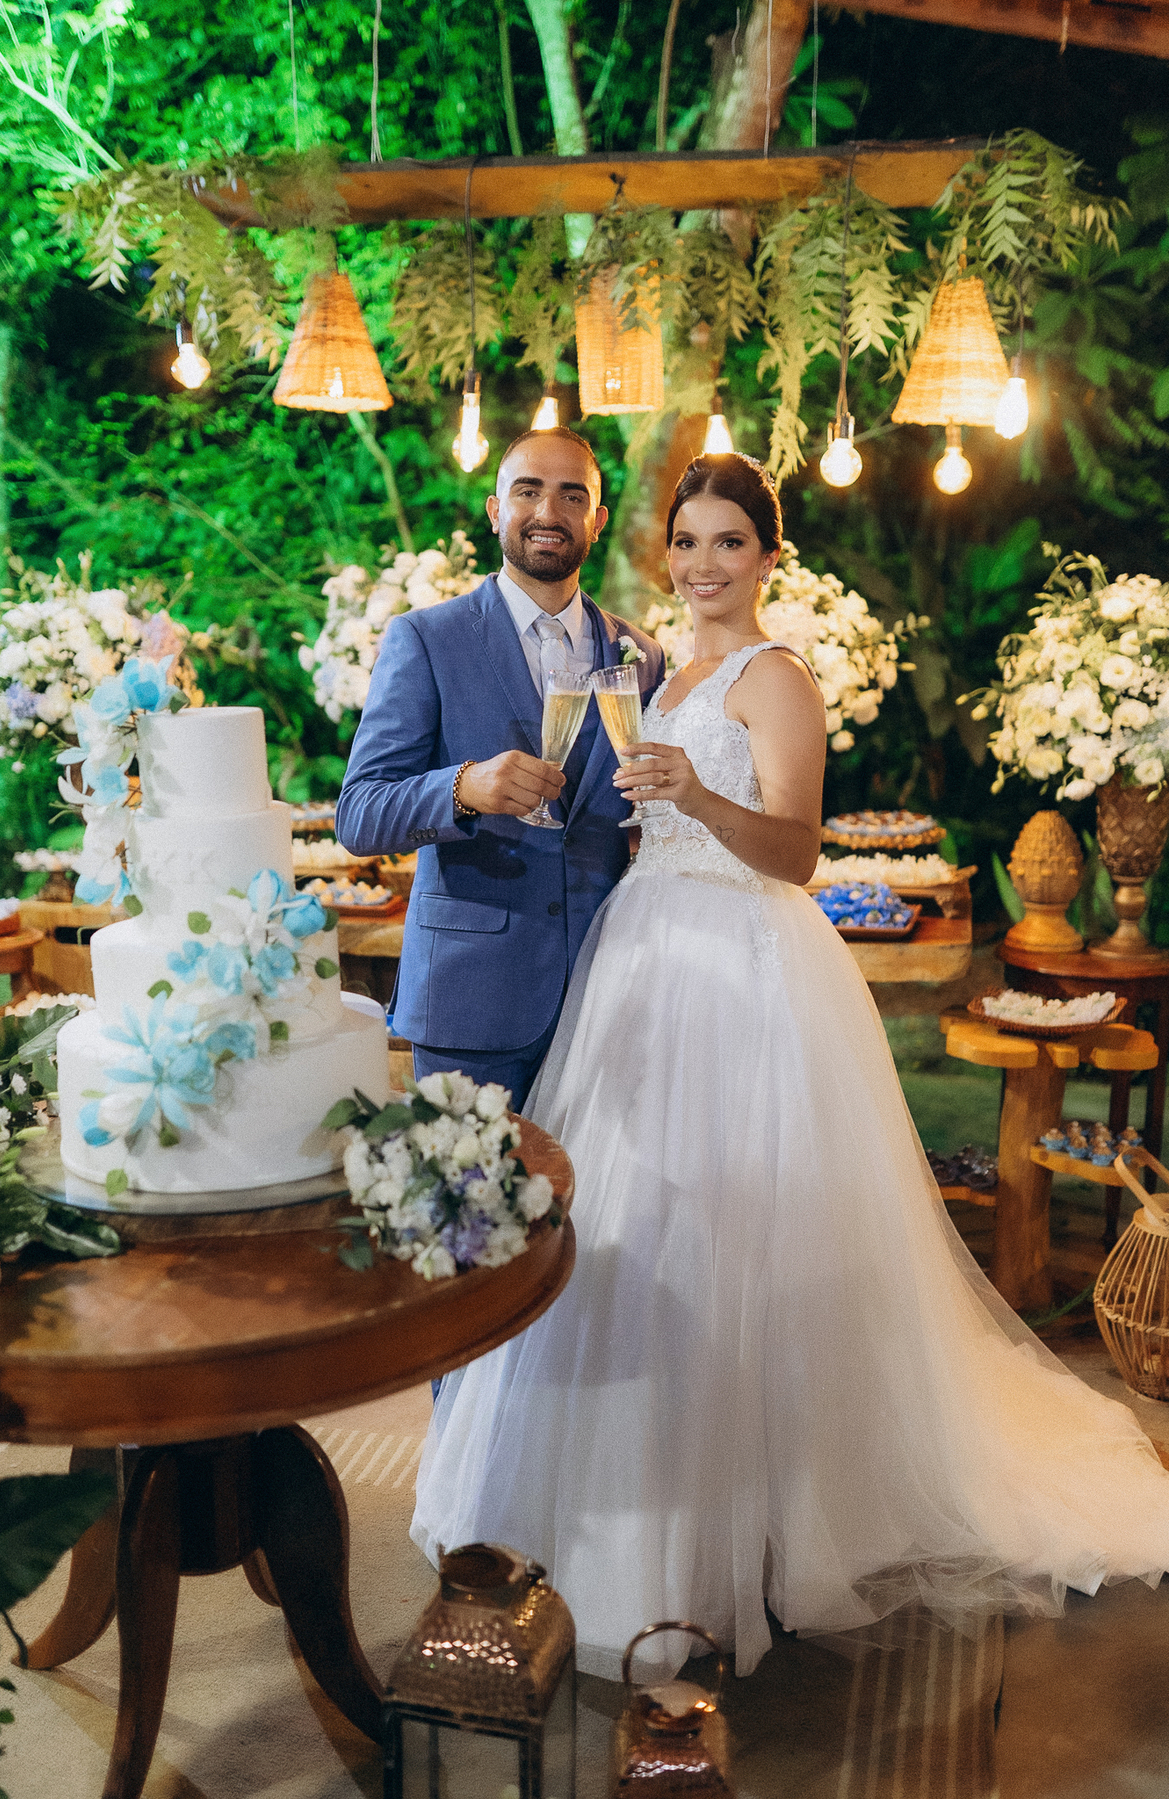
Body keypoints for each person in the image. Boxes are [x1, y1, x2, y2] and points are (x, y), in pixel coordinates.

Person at [411, 451, 1169, 1683]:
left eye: (729, 542)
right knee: (621, 1230)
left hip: (741, 965)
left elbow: (798, 851)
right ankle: (590, 1515)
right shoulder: (655, 667)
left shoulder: (778, 676)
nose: (706, 563)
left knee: (736, 1237)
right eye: (688, 540)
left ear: (772, 556)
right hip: (640, 958)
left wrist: (699, 796)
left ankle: (750, 1532)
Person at [336, 427, 663, 1107]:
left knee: (594, 1214)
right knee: (473, 1208)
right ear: (494, 510)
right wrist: (464, 787)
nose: (549, 511)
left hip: (610, 1001)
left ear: (597, 521)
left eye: (572, 495)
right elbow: (359, 813)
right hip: (472, 999)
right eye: (528, 491)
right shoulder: (427, 639)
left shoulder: (644, 656)